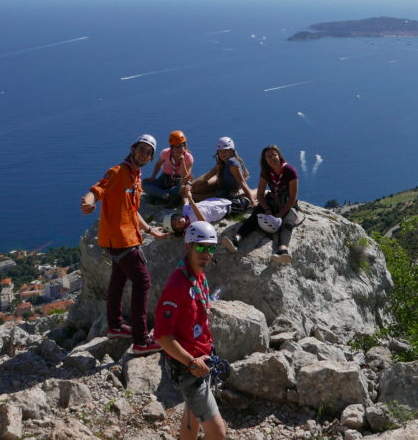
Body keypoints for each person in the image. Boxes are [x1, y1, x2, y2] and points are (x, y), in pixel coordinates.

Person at [80, 134, 168, 355]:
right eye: (141, 149)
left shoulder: (135, 176)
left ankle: (116, 326)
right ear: (133, 148)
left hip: (127, 237)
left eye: (148, 152)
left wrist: (149, 230)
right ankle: (141, 340)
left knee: (118, 280)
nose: (144, 153)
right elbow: (96, 190)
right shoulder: (118, 172)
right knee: (143, 282)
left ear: (151, 158)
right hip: (120, 239)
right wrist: (88, 203)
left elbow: (132, 210)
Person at [154, 220, 227, 440]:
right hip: (188, 366)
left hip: (200, 360)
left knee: (192, 415)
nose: (206, 253)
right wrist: (192, 363)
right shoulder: (177, 286)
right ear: (188, 247)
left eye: (211, 248)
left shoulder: (198, 276)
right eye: (201, 247)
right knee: (218, 433)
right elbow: (161, 336)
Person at [229, 145, 301, 263]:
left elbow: (293, 197)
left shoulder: (290, 171)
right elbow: (260, 194)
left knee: (287, 222)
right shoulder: (266, 172)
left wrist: (281, 213)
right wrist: (266, 209)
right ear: (265, 160)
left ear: (279, 156)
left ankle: (283, 251)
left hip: (288, 204)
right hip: (272, 201)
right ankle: (236, 239)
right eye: (268, 156)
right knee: (256, 215)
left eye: (274, 155)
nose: (272, 158)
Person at [191, 137, 256, 211]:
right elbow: (207, 176)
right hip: (222, 189)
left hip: (228, 194)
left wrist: (253, 202)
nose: (222, 153)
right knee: (195, 189)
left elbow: (242, 182)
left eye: (225, 151)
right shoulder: (221, 163)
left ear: (231, 151)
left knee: (194, 197)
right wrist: (191, 185)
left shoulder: (232, 164)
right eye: (220, 151)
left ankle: (258, 192)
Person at [143, 130, 194, 207]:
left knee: (184, 188)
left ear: (185, 146)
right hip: (164, 179)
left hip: (179, 182)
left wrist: (182, 161)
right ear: (172, 148)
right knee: (144, 184)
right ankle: (166, 195)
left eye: (182, 145)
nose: (180, 149)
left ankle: (160, 195)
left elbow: (186, 178)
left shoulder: (188, 158)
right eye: (177, 146)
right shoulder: (165, 153)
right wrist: (152, 177)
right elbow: (158, 164)